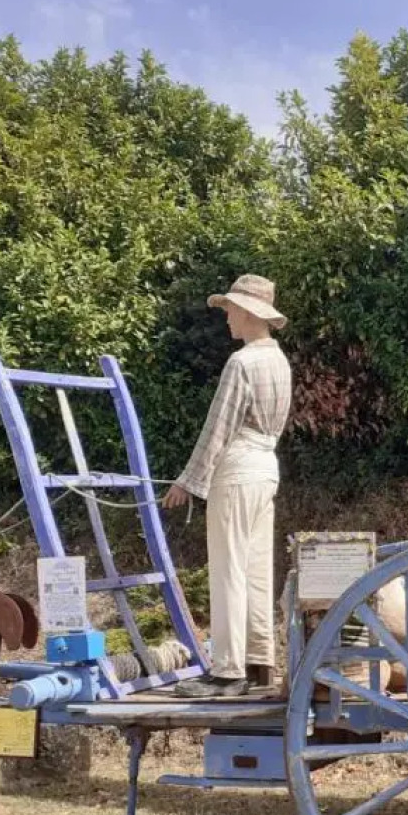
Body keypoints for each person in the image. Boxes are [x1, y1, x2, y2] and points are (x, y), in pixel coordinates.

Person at [163, 274, 292, 697]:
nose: (227, 319)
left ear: (251, 313)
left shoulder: (242, 363)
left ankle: (228, 670)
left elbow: (217, 430)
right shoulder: (278, 360)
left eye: (232, 310)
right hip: (266, 467)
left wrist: (189, 482)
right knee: (257, 567)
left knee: (228, 568)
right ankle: (259, 662)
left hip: (237, 468)